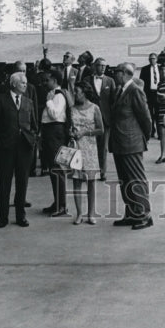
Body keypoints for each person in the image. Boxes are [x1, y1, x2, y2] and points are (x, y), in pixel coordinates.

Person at [109, 62, 153, 230]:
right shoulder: (120, 90)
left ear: (125, 73)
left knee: (136, 180)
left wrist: (143, 139)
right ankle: (131, 213)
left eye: (116, 71)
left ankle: (144, 215)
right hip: (120, 143)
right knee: (125, 181)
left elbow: (146, 119)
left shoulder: (135, 91)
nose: (114, 74)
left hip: (131, 143)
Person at [0, 71, 38, 228]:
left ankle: (20, 216)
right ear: (13, 84)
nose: (25, 85)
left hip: (24, 147)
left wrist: (32, 140)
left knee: (22, 182)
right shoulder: (1, 100)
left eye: (25, 82)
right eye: (22, 82)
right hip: (6, 148)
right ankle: (3, 218)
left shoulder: (28, 102)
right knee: (5, 183)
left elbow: (34, 125)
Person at [69, 82, 103, 224]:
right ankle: (79, 214)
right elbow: (69, 127)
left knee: (91, 182)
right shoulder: (72, 109)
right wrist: (70, 133)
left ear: (84, 92)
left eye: (77, 91)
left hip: (90, 148)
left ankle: (90, 214)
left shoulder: (95, 108)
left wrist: (85, 132)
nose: (75, 94)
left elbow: (101, 130)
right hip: (76, 148)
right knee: (77, 181)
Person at [40, 69, 71, 216]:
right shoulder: (53, 94)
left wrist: (48, 101)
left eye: (48, 80)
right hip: (50, 132)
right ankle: (57, 202)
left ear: (55, 81)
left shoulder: (58, 96)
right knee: (53, 168)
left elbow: (55, 114)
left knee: (57, 169)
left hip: (55, 132)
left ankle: (62, 205)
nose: (45, 83)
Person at [84, 57, 114, 180]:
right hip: (90, 117)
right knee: (89, 145)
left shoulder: (110, 81)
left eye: (104, 66)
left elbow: (113, 100)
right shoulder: (86, 80)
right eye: (100, 65)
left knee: (103, 147)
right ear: (95, 66)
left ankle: (102, 171)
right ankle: (89, 170)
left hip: (105, 118)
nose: (103, 68)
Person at [14, 61, 39, 178]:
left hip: (27, 124)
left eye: (24, 71)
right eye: (20, 71)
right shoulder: (9, 87)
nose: (22, 73)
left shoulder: (31, 88)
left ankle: (31, 169)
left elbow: (34, 108)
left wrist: (35, 127)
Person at [140, 52, 161, 138]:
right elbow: (141, 82)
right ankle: (152, 130)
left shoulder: (161, 68)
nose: (152, 60)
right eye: (150, 59)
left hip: (158, 93)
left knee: (159, 113)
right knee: (150, 114)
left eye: (153, 58)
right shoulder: (144, 69)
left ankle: (160, 133)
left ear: (156, 59)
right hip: (149, 93)